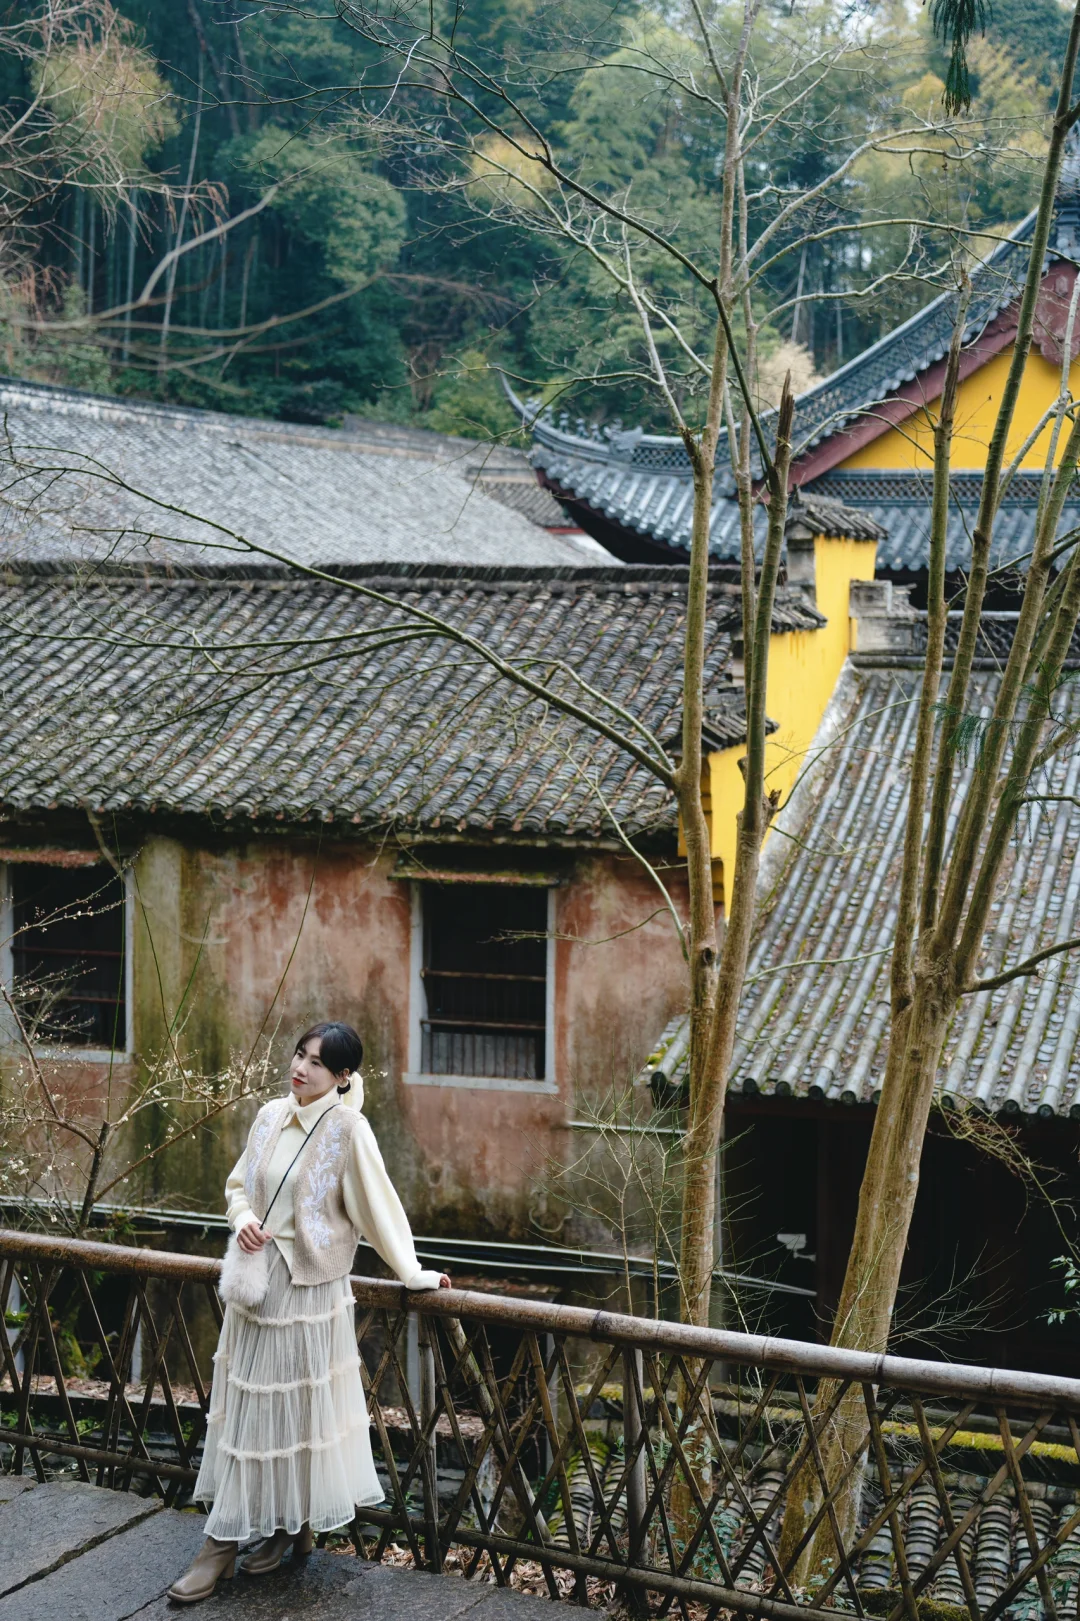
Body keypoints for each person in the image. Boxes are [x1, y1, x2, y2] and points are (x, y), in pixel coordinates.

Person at [168, 1021, 449, 1605]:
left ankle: (259, 1535)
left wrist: (412, 1272)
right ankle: (252, 1536)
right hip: (258, 1287)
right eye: (299, 1055)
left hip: (311, 1293)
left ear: (343, 1076)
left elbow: (378, 1208)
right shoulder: (270, 1114)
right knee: (247, 1409)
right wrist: (241, 1219)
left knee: (295, 1411)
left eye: (316, 1062)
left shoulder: (349, 1129)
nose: (300, 1068)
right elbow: (240, 1186)